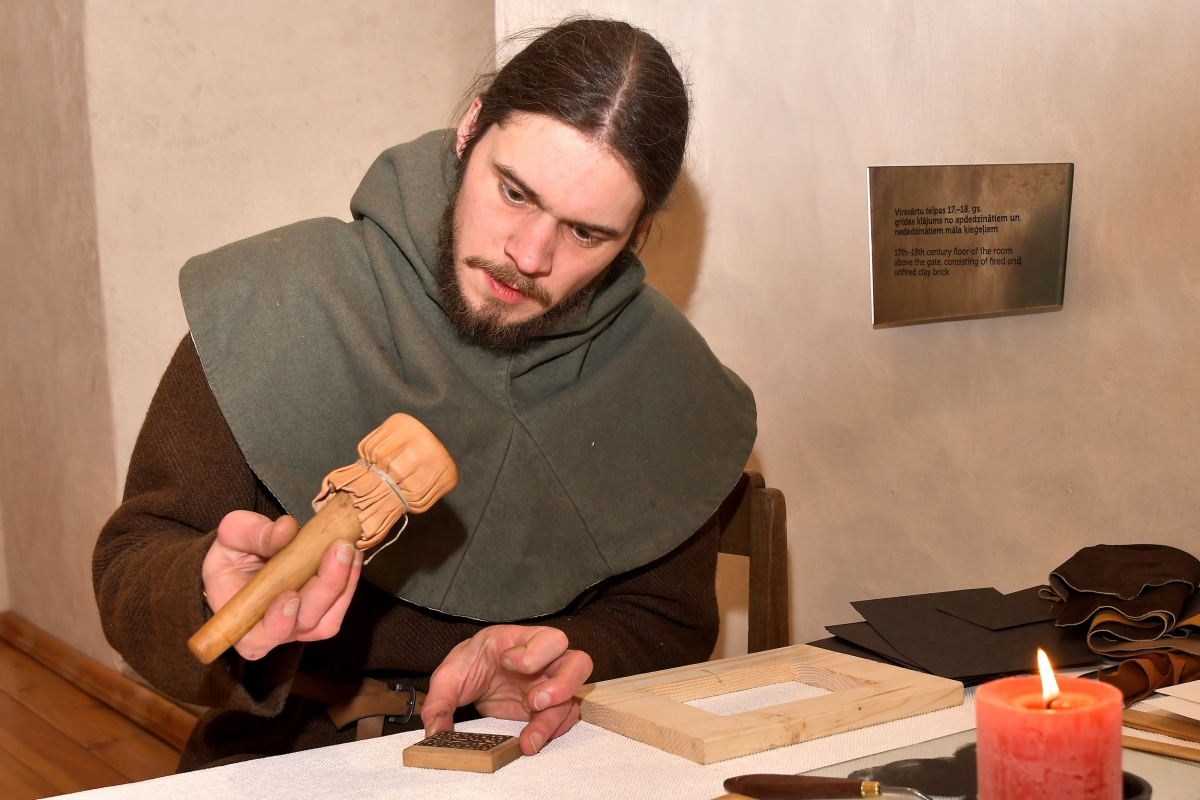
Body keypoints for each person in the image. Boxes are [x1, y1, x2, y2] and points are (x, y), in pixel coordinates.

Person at [93, 17, 756, 771]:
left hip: (538, 763)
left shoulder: (673, 383)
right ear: (470, 131)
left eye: (586, 234)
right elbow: (131, 572)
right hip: (283, 758)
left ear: (635, 236)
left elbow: (666, 623)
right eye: (514, 192)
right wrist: (210, 590)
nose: (528, 255)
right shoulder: (276, 298)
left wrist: (557, 660)